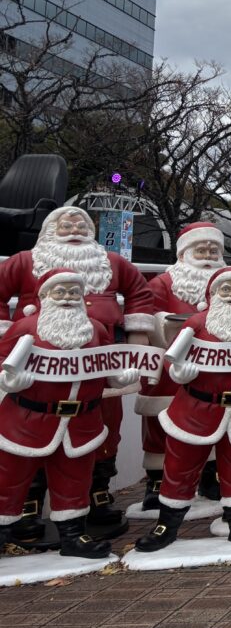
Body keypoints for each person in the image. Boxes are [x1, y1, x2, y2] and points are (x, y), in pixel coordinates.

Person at [0, 206, 154, 534]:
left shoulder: (111, 262)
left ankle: (97, 495)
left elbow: (140, 293)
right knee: (29, 433)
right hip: (37, 367)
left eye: (81, 223)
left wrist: (136, 338)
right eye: (65, 222)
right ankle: (28, 505)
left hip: (97, 361)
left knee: (104, 427)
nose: (74, 227)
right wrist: (6, 334)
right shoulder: (25, 260)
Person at [136, 267, 231, 551]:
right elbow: (172, 358)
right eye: (225, 290)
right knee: (181, 465)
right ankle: (167, 525)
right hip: (197, 409)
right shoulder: (197, 323)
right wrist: (180, 370)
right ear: (213, 294)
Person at [0, 270, 137, 558]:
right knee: (9, 479)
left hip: (81, 422)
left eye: (73, 293)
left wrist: (119, 378)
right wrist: (9, 379)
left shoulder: (95, 329)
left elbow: (105, 367)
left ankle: (73, 535)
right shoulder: (25, 328)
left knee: (75, 479)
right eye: (59, 292)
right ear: (44, 296)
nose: (67, 298)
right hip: (28, 420)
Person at [141, 222, 227, 509]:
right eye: (201, 249)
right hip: (169, 364)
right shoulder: (162, 283)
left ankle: (208, 476)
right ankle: (155, 481)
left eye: (213, 250)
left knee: (211, 418)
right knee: (159, 421)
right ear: (183, 254)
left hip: (212, 366)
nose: (207, 255)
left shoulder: (227, 285)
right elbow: (150, 318)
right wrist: (172, 325)